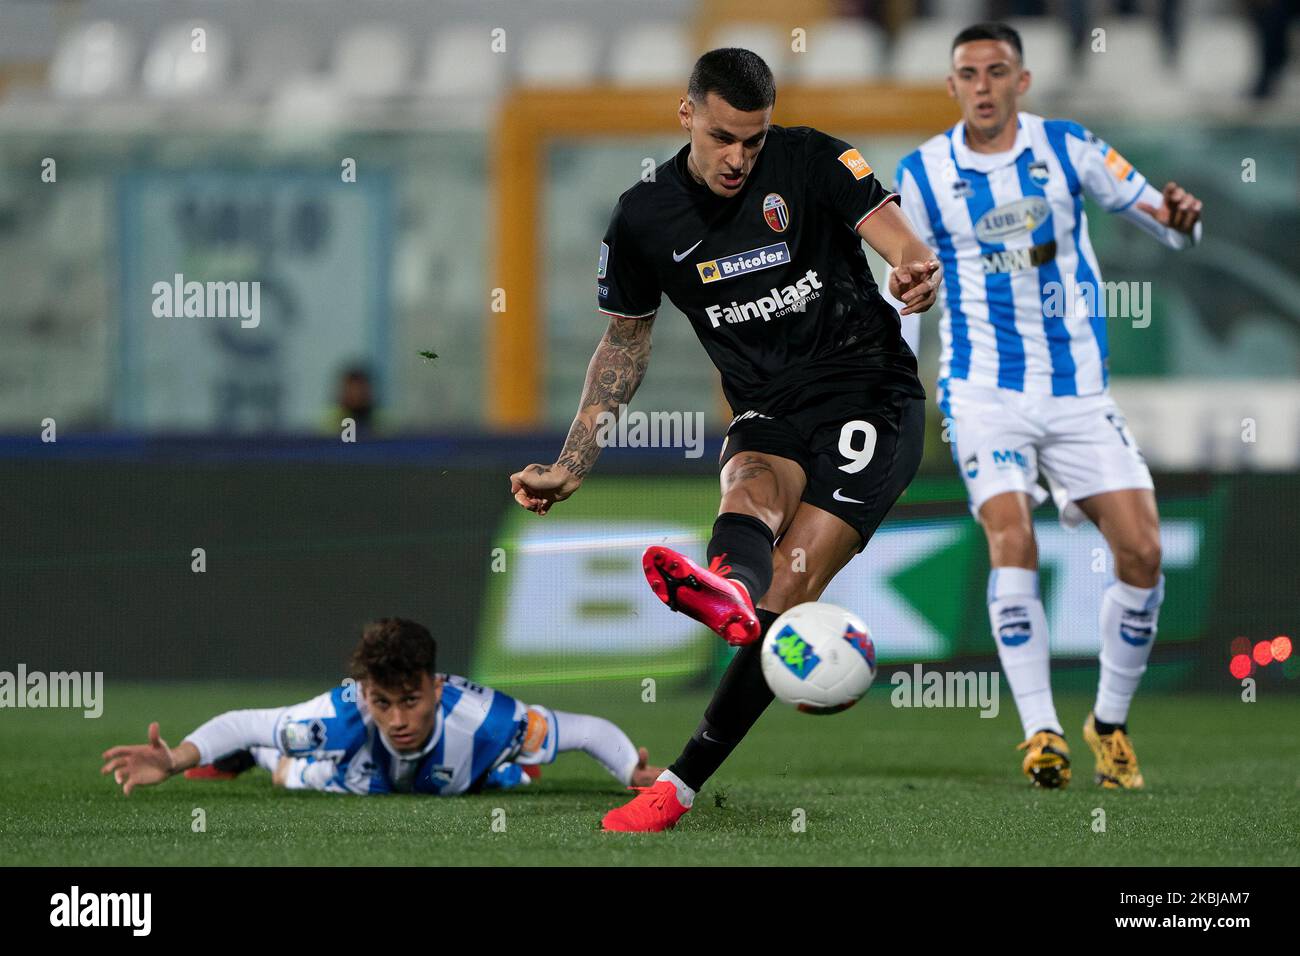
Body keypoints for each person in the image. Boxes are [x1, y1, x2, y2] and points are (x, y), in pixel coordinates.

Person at [510, 48, 940, 831]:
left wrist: (915, 269)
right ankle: (728, 595)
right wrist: (574, 463)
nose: (739, 157)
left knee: (789, 590)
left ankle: (677, 786)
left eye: (753, 139)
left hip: (869, 398)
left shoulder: (813, 159)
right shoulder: (644, 217)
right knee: (746, 485)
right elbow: (624, 345)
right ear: (686, 117)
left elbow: (898, 239)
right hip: (768, 407)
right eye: (722, 138)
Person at [893, 22, 1202, 790]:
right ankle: (1040, 731)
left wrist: (1185, 221)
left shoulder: (1070, 148)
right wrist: (897, 375)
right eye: (969, 72)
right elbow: (904, 285)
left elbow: (1161, 221)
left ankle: (1109, 723)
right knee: (1010, 531)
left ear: (1022, 81)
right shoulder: (924, 173)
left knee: (1143, 552)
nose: (984, 85)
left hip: (1077, 395)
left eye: (998, 71)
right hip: (983, 390)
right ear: (952, 85)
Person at [100, 618, 661, 796]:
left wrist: (630, 771)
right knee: (288, 769)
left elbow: (583, 730)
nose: (396, 720)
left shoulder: (488, 718)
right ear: (365, 695)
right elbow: (244, 720)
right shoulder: (340, 719)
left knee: (511, 775)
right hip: (347, 773)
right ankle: (244, 761)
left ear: (437, 688)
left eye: (411, 701)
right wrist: (175, 759)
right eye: (382, 702)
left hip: (462, 769)